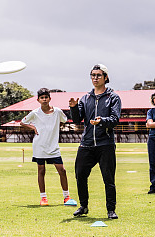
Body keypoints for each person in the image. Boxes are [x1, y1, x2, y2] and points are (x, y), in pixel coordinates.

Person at [68, 64, 122, 219]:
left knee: (108, 179)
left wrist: (101, 121)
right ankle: (83, 206)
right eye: (93, 75)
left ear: (105, 77)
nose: (95, 78)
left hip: (105, 144)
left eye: (98, 75)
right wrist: (72, 107)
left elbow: (114, 119)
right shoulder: (85, 98)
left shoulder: (113, 97)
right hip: (86, 144)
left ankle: (111, 210)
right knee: (80, 174)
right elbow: (78, 119)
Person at [20, 88, 72, 206]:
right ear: (38, 100)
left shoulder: (57, 111)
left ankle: (66, 197)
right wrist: (33, 128)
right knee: (41, 171)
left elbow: (64, 120)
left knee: (62, 171)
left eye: (46, 97)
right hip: (40, 146)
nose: (44, 100)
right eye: (42, 98)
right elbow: (22, 122)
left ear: (50, 98)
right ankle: (43, 198)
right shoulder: (35, 113)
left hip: (53, 147)